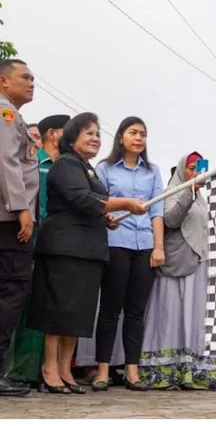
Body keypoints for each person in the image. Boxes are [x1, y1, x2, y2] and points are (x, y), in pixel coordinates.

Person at [26, 112, 148, 394]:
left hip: (88, 248)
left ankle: (66, 369)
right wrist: (124, 203)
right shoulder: (66, 164)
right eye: (88, 133)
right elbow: (81, 199)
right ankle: (50, 369)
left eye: (97, 133)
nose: (95, 138)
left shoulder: (86, 168)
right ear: (71, 138)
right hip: (64, 247)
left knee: (77, 315)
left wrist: (106, 217)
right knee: (58, 311)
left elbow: (92, 204)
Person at [139, 152, 216, 391]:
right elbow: (171, 220)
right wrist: (191, 190)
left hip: (198, 264)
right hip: (175, 265)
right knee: (170, 317)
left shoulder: (202, 199)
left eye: (199, 167)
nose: (195, 172)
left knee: (195, 317)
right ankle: (164, 373)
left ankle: (196, 372)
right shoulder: (172, 191)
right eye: (190, 168)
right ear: (181, 170)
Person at [92, 116, 165, 391]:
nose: (139, 138)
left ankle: (132, 371)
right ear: (120, 136)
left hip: (145, 245)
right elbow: (97, 203)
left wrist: (158, 247)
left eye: (143, 134)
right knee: (110, 309)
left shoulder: (153, 172)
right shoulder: (105, 168)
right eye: (133, 132)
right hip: (115, 242)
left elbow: (158, 211)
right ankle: (102, 371)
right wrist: (107, 216)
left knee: (136, 311)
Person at [3, 114, 69, 386]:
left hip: (57, 247)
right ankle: (14, 371)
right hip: (26, 240)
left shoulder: (66, 166)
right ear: (53, 134)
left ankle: (39, 371)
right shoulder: (33, 161)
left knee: (45, 309)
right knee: (17, 306)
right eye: (69, 130)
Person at [0, 59, 39, 397]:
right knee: (11, 291)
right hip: (9, 220)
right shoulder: (5, 114)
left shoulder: (15, 116)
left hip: (9, 216)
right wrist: (21, 209)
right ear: (3, 81)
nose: (31, 83)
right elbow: (7, 161)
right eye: (24, 77)